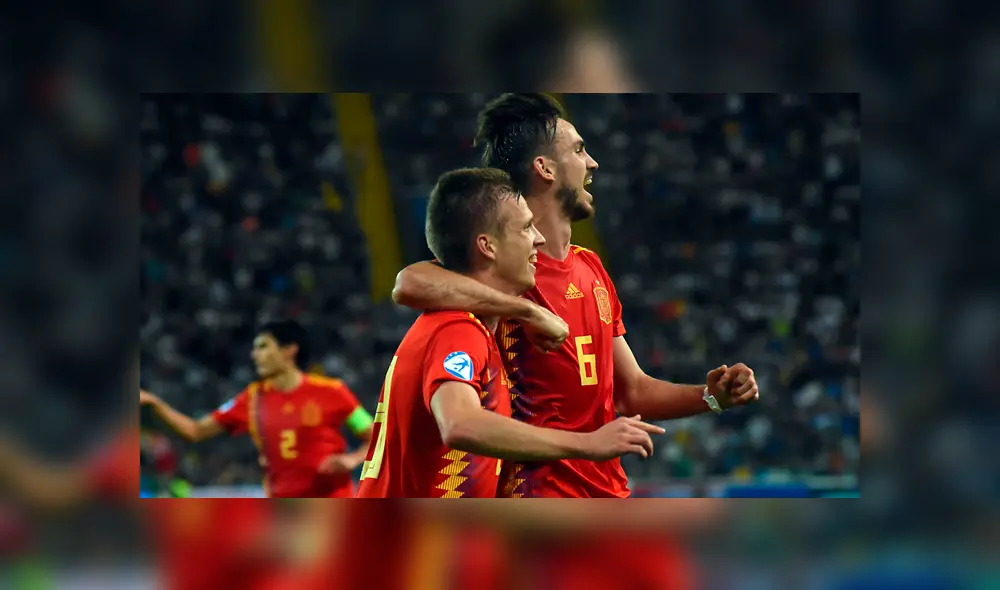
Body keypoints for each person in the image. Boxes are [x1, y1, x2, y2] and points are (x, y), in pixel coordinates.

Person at [392, 93, 761, 498]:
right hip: (536, 494)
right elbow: (410, 283)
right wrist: (527, 311)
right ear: (544, 168)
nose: (592, 163)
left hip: (608, 489)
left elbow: (632, 391)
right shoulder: (503, 276)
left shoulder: (590, 267)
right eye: (580, 149)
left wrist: (711, 397)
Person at [356, 167, 663, 498]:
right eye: (526, 228)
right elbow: (460, 424)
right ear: (487, 246)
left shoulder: (483, 331)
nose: (539, 238)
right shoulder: (458, 328)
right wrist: (588, 443)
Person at [140, 320, 373, 498]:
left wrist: (352, 459)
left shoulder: (333, 391)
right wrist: (155, 403)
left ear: (289, 350)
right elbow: (195, 430)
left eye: (263, 347)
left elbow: (376, 437)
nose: (254, 355)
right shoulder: (252, 398)